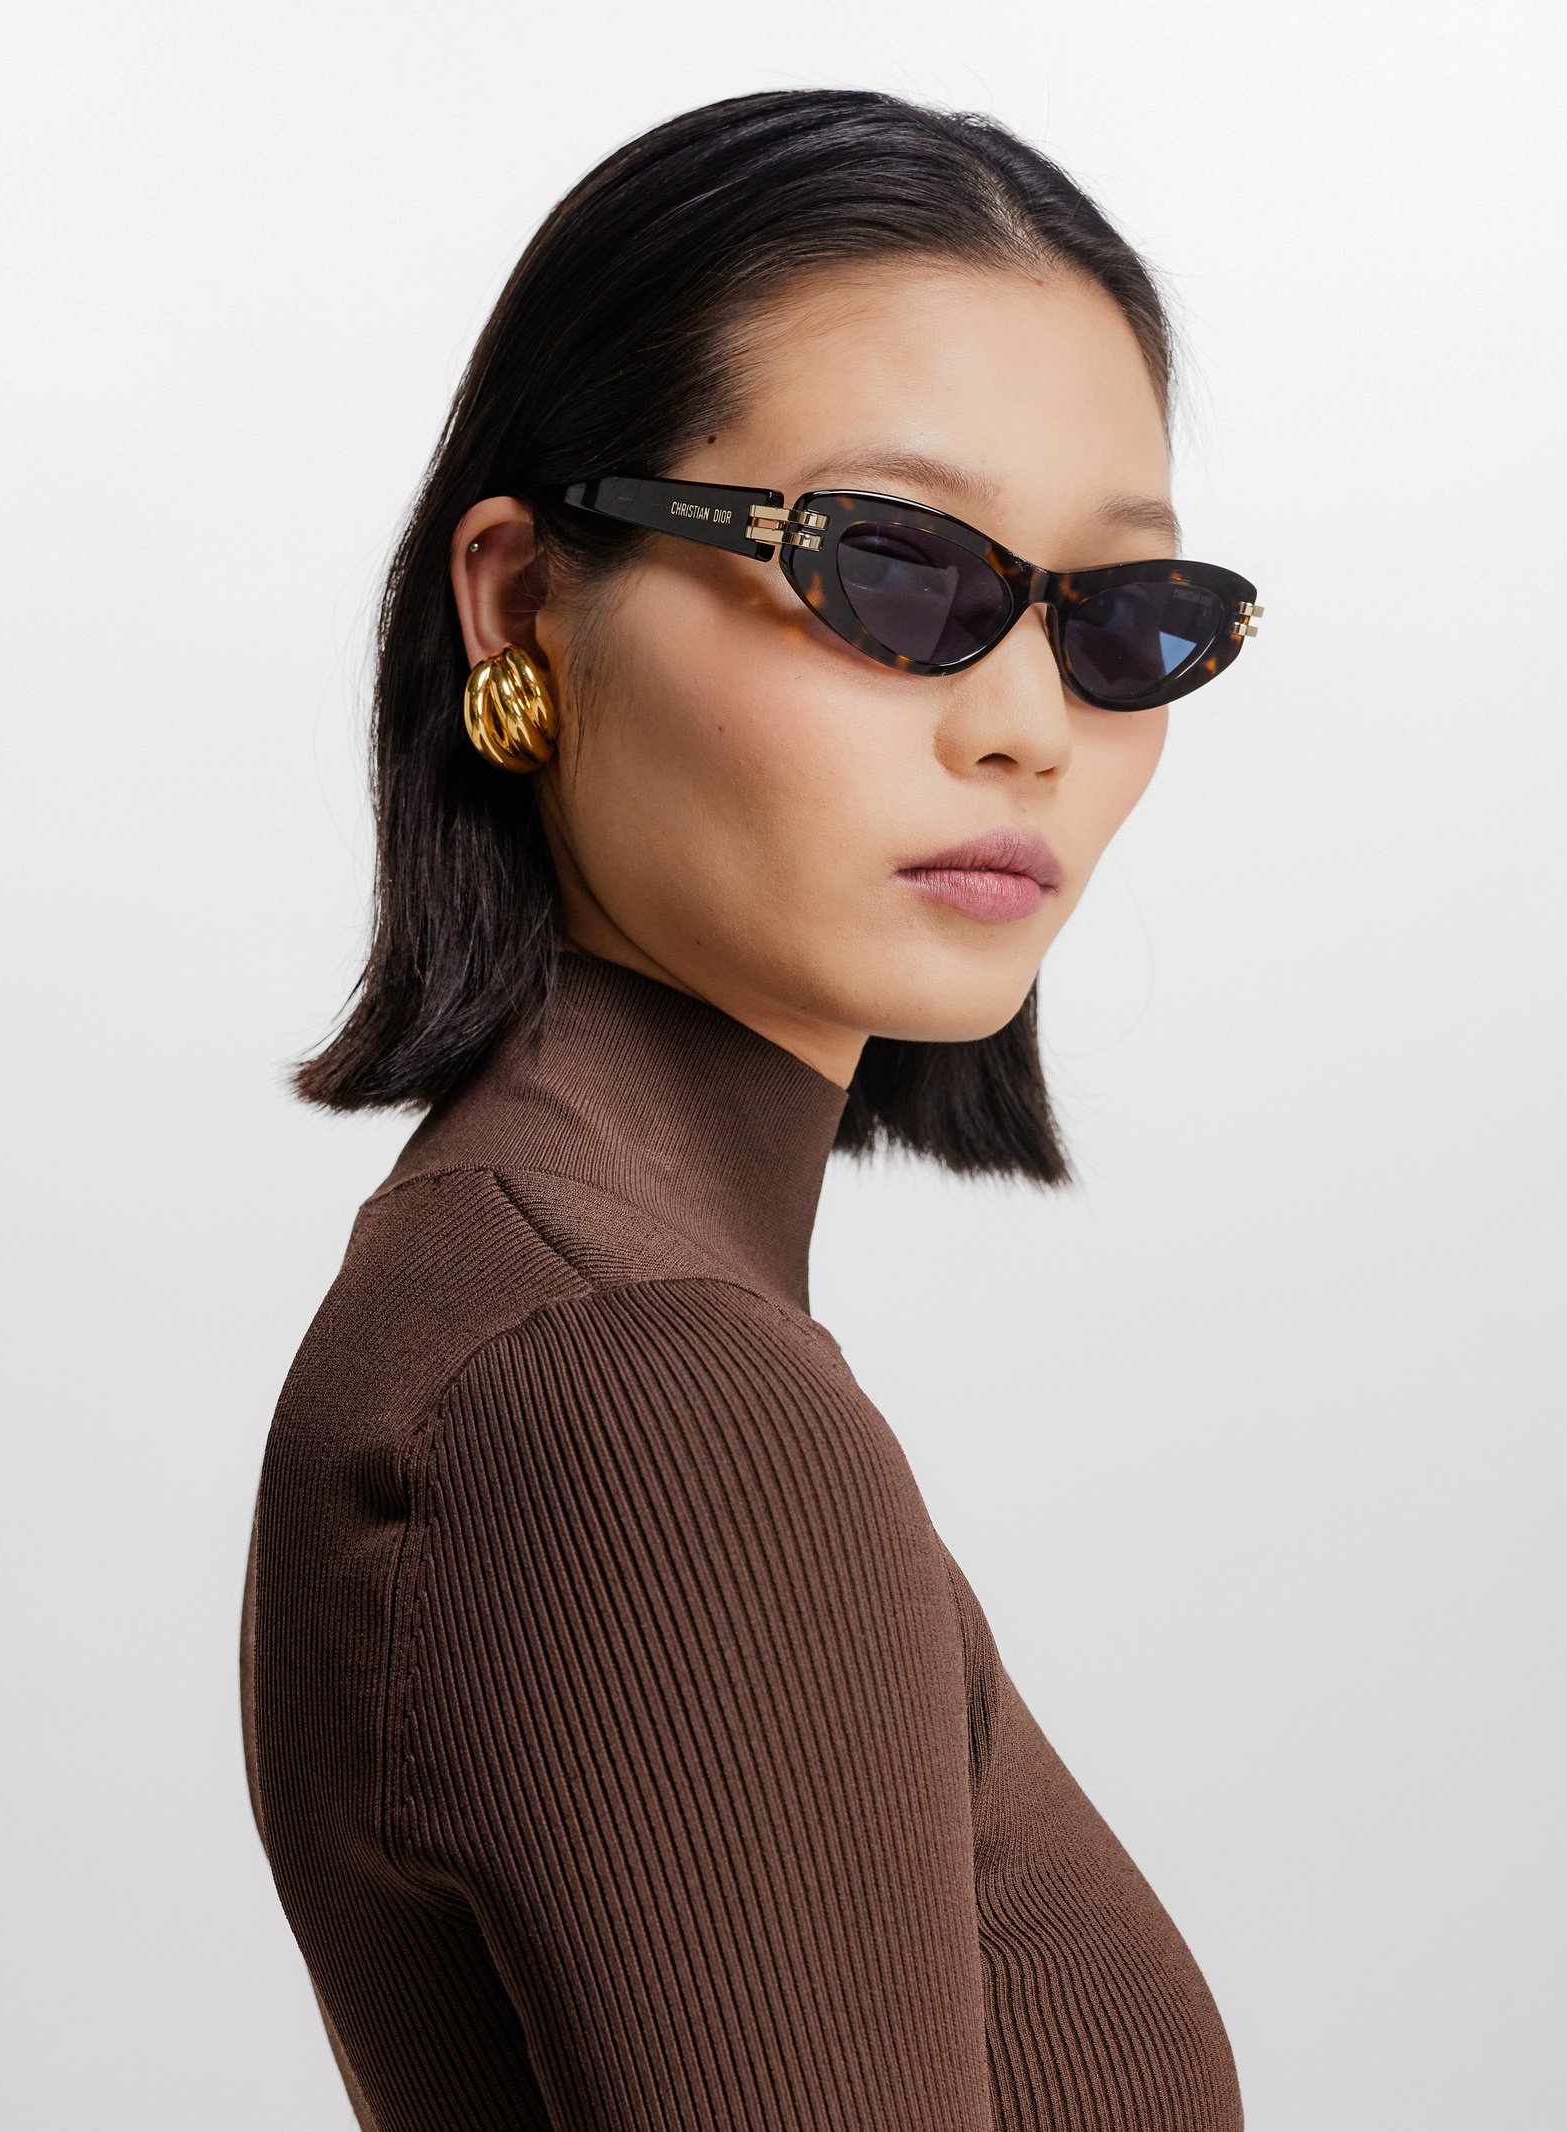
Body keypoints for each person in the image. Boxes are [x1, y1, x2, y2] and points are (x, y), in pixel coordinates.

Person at [240, 85, 1262, 2132]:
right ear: (520, 602)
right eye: (887, 571)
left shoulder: (552, 1301)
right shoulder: (633, 1387)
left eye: (1120, 621)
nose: (1026, 727)